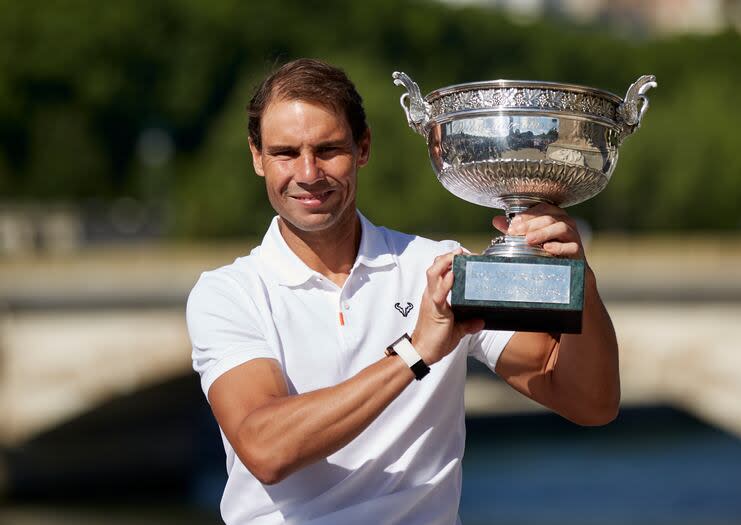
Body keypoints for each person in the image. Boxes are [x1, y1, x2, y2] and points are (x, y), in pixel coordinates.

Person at [186, 58, 619, 525]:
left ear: (364, 147)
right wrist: (414, 354)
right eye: (286, 153)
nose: (308, 173)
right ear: (257, 157)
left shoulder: (435, 267)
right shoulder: (228, 293)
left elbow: (589, 402)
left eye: (329, 149)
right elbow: (267, 449)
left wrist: (581, 281)